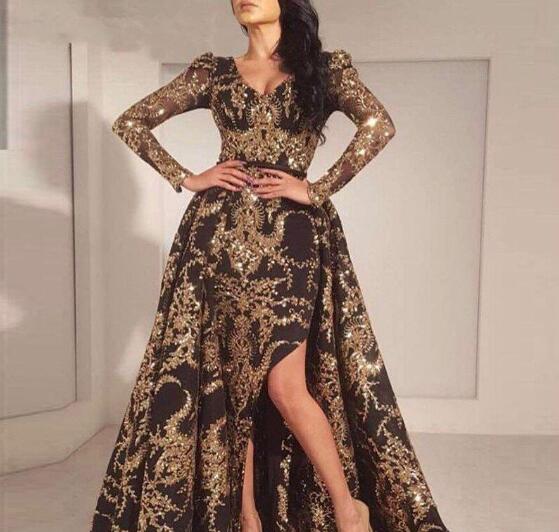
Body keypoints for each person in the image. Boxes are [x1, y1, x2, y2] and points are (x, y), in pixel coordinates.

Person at [91, 1, 449, 531]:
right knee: (232, 382)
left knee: (285, 384)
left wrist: (317, 189)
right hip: (216, 239)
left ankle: (348, 509)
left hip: (290, 239)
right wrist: (187, 177)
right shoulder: (213, 73)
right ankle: (248, 516)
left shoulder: (322, 70)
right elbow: (132, 122)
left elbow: (378, 125)